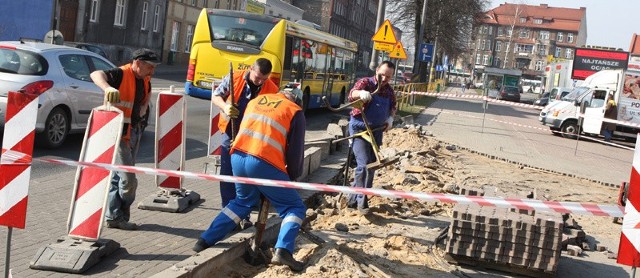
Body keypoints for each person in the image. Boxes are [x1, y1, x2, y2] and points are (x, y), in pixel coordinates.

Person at [193, 90, 307, 272]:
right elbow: (295, 153)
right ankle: (284, 251)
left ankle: (204, 240)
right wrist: (291, 178)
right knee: (294, 207)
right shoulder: (295, 111)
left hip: (238, 156)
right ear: (297, 100)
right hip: (264, 162)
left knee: (242, 202)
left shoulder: (258, 100)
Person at [90, 48, 159, 230]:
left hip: (134, 131)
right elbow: (95, 74)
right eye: (150, 67)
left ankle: (115, 217)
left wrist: (144, 107)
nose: (152, 71)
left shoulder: (144, 79)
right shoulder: (121, 73)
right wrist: (108, 88)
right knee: (128, 180)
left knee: (117, 176)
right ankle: (120, 212)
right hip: (118, 133)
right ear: (138, 63)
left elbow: (147, 94)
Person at [212, 58, 279, 229]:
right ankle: (228, 214)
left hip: (252, 137)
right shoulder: (234, 77)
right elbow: (216, 95)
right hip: (230, 132)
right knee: (228, 174)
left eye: (264, 79)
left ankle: (244, 215)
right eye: (257, 78)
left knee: (246, 176)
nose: (260, 82)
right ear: (251, 69)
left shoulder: (271, 89)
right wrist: (225, 107)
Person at [346, 61, 397, 213]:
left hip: (377, 130)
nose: (384, 78)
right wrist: (360, 94)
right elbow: (352, 94)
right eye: (382, 74)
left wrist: (390, 119)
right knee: (363, 165)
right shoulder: (365, 83)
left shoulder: (389, 91)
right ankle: (363, 202)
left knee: (372, 166)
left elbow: (393, 106)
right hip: (360, 129)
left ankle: (352, 199)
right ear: (376, 70)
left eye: (388, 76)